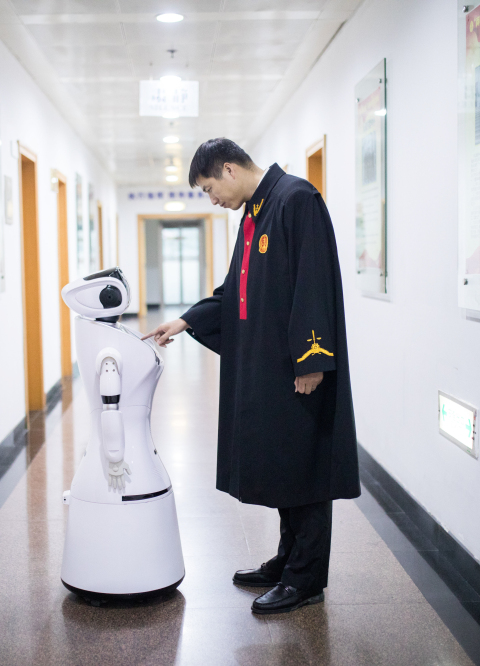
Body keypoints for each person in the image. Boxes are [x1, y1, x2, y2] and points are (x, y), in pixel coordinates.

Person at [142, 138, 359, 614]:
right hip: (271, 367)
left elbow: (314, 283)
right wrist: (186, 320)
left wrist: (312, 360)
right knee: (286, 464)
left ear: (229, 169)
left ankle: (305, 579)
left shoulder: (296, 200)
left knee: (306, 470)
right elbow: (234, 290)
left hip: (299, 368)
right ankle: (287, 558)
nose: (212, 199)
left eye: (209, 188)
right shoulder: (255, 214)